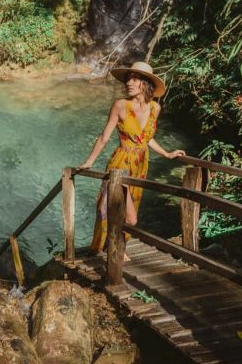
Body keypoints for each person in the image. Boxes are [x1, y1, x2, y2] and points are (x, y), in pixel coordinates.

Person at [78, 61, 185, 259]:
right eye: (128, 79)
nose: (129, 82)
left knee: (125, 210)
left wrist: (166, 154)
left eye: (135, 79)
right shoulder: (120, 105)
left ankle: (115, 247)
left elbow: (147, 138)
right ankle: (114, 248)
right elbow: (104, 137)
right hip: (121, 164)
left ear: (147, 84)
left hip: (141, 165)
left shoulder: (155, 108)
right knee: (130, 217)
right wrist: (89, 162)